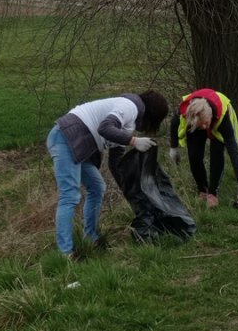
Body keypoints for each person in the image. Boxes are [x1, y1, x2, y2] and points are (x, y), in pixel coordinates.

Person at [47, 90, 169, 259]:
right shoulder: (130, 106)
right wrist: (134, 142)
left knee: (97, 187)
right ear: (151, 114)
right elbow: (104, 128)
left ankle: (91, 238)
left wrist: (131, 192)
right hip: (65, 138)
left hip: (75, 144)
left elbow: (115, 163)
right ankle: (65, 253)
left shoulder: (128, 123)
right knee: (70, 195)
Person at [168, 89, 238, 207]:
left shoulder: (223, 118)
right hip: (194, 123)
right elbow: (174, 123)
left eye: (206, 123)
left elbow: (233, 151)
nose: (204, 127)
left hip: (218, 117)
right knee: (194, 155)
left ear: (210, 116)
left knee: (217, 154)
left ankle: (213, 193)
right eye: (201, 125)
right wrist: (174, 147)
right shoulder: (186, 112)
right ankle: (202, 190)